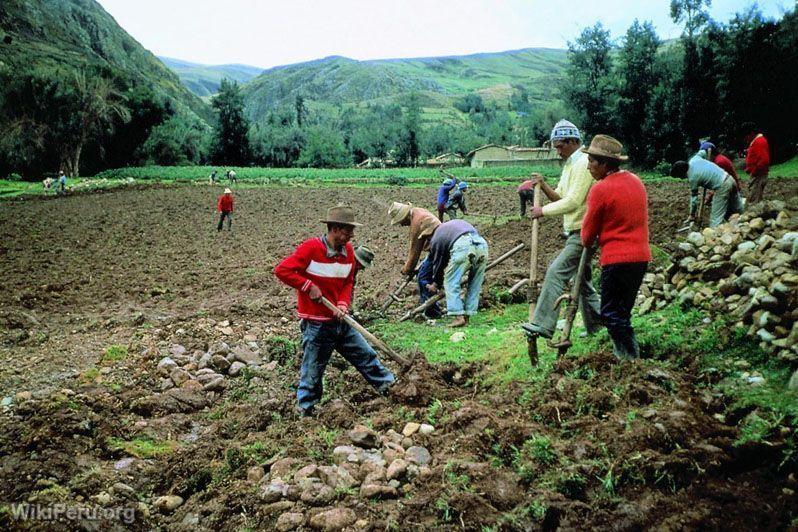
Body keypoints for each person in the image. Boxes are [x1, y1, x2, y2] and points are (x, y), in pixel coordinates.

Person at [274, 205, 395, 416]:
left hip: (340, 320)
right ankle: (307, 409)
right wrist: (307, 286)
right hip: (316, 322)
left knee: (365, 354)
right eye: (348, 230)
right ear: (335, 229)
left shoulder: (348, 251)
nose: (351, 235)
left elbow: (348, 282)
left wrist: (342, 304)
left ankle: (390, 387)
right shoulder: (311, 248)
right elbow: (282, 270)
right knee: (313, 369)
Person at [520, 119, 602, 340]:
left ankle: (543, 324)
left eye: (560, 146)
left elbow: (574, 201)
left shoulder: (584, 163)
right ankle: (599, 326)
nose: (557, 151)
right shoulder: (569, 166)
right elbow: (560, 196)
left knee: (556, 271)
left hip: (584, 231)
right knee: (582, 284)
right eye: (555, 146)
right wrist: (544, 185)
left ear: (573, 141)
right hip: (576, 231)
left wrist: (542, 211)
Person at [580, 135, 651, 360]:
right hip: (640, 257)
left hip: (616, 259)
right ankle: (627, 357)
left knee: (611, 314)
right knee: (622, 312)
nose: (589, 165)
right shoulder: (636, 181)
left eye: (592, 161)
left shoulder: (600, 189)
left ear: (604, 163)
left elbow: (586, 237)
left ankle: (629, 360)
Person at [422, 218, 489, 328]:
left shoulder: (436, 239)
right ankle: (467, 315)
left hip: (463, 245)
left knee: (451, 281)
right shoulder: (450, 227)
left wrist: (435, 284)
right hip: (482, 244)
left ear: (429, 235)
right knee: (475, 283)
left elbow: (439, 264)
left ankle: (458, 316)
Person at [388, 202, 442, 318]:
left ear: (405, 216)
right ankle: (430, 308)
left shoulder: (416, 222)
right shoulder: (419, 211)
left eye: (401, 222)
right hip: (438, 246)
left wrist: (406, 269)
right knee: (424, 272)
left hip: (439, 247)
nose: (402, 225)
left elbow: (414, 253)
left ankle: (431, 311)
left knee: (423, 277)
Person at [670, 152, 744, 228]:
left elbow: (694, 200)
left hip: (722, 186)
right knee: (739, 209)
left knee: (715, 219)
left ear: (682, 173)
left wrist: (692, 215)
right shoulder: (694, 159)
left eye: (679, 176)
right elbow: (704, 151)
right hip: (730, 179)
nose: (681, 178)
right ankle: (745, 224)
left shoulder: (692, 178)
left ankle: (715, 236)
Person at [742, 123, 770, 204]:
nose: (746, 139)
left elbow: (764, 161)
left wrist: (754, 171)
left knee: (754, 200)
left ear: (751, 133)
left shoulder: (759, 142)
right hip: (757, 175)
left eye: (746, 136)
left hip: (758, 176)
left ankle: (754, 215)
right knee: (755, 197)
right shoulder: (757, 141)